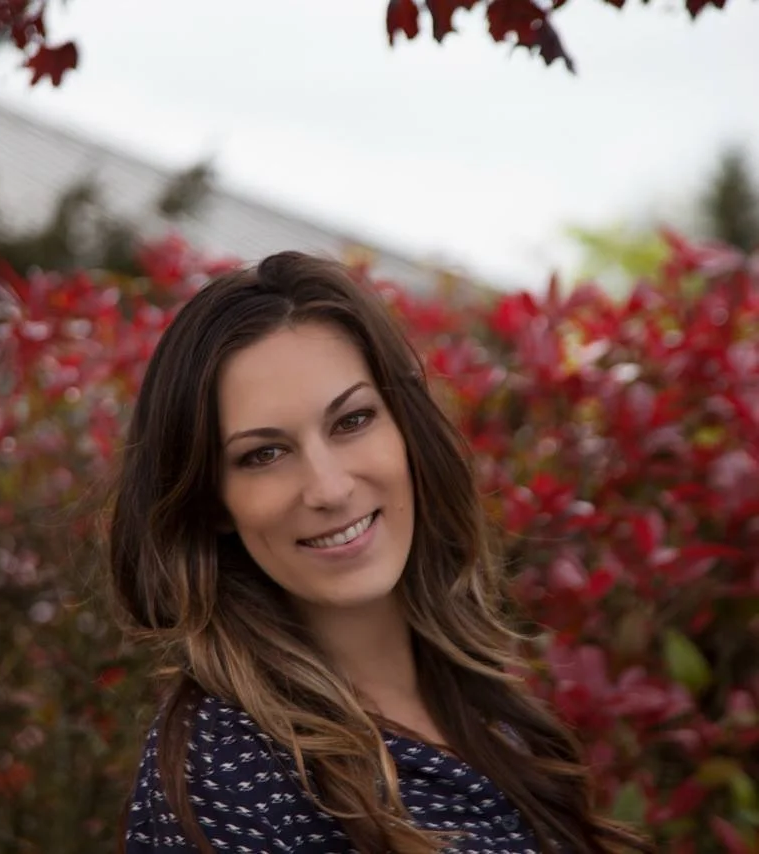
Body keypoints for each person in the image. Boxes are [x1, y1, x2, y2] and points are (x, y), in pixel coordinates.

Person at [109, 251, 651, 853]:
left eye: (353, 420)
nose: (331, 488)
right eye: (264, 454)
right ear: (212, 502)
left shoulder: (483, 706)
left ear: (405, 429)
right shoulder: (225, 768)